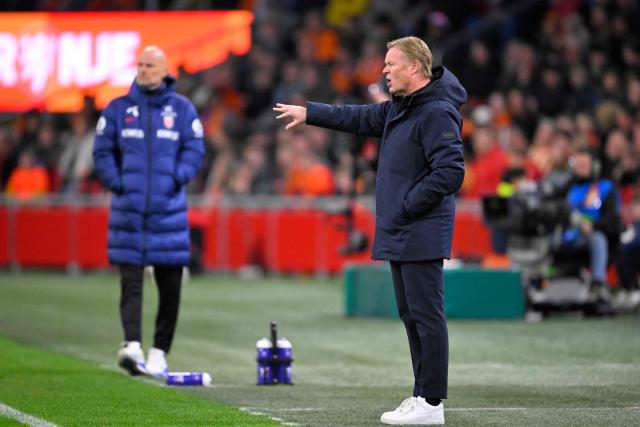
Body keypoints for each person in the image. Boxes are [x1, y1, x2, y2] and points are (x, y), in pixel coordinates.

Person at [274, 36, 466, 425]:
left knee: (427, 316)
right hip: (404, 229)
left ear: (415, 67)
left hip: (420, 228)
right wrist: (309, 112)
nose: (384, 71)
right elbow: (357, 117)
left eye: (391, 64)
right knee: (411, 315)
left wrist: (408, 205)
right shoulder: (402, 108)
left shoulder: (436, 111)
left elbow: (451, 171)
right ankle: (422, 395)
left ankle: (431, 403)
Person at [93, 45, 204, 377]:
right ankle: (132, 345)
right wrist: (120, 183)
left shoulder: (182, 110)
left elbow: (195, 149)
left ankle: (159, 351)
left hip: (168, 211)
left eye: (151, 65)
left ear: (165, 69)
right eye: (140, 64)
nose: (143, 70)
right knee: (131, 283)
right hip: (129, 211)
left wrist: (176, 177)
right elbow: (101, 152)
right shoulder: (118, 109)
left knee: (170, 286)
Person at [560, 148, 622, 303]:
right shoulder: (568, 188)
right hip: (568, 236)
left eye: (584, 165)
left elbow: (612, 219)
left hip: (593, 234)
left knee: (597, 238)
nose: (580, 170)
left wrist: (592, 225)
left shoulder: (606, 188)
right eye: (578, 166)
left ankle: (598, 282)